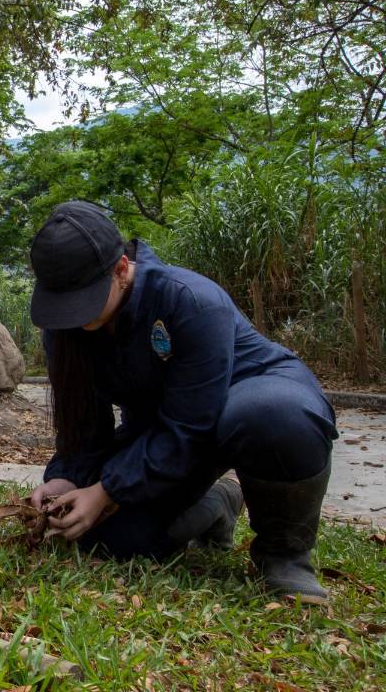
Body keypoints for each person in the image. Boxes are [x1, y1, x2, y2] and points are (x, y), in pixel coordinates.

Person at [26, 201, 338, 600]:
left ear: (121, 270)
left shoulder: (190, 301)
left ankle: (285, 556)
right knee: (108, 536)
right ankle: (219, 503)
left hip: (245, 402)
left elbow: (189, 424)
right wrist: (67, 477)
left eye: (83, 300)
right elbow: (83, 418)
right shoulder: (65, 327)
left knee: (273, 416)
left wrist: (106, 490)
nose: (73, 316)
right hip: (167, 430)